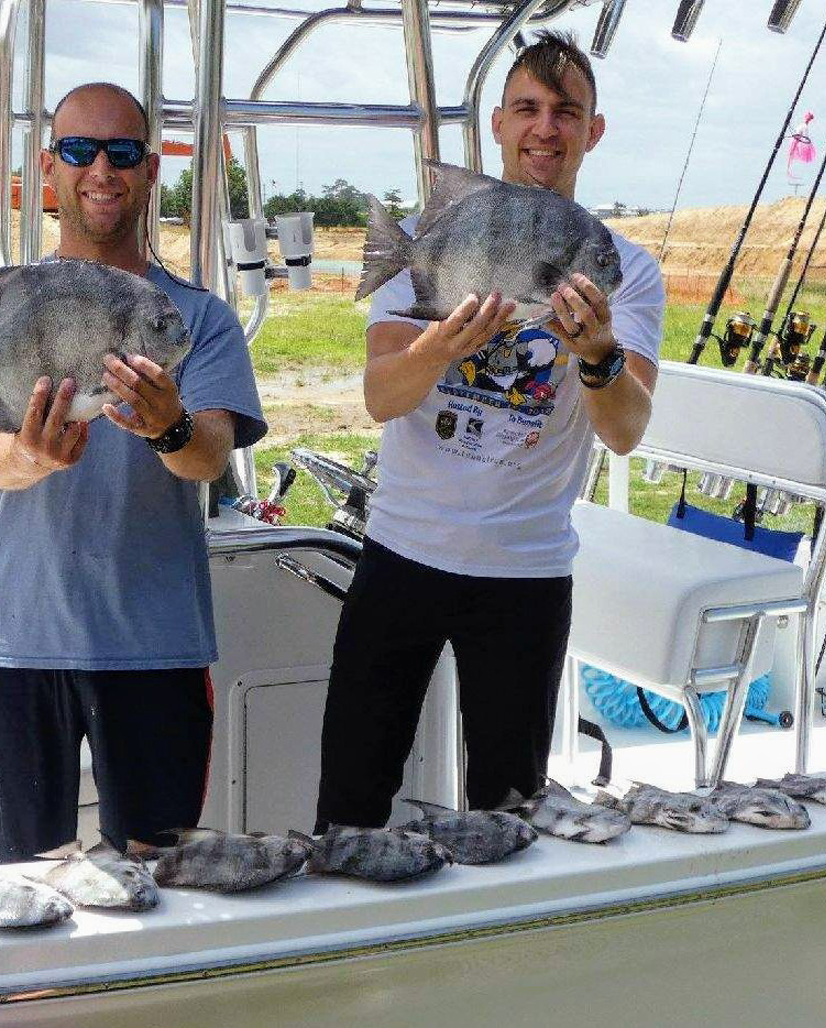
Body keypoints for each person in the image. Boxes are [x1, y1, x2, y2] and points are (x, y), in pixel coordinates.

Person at [315, 32, 664, 830]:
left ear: (592, 131)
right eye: (529, 110)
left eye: (566, 112)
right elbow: (380, 396)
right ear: (500, 124)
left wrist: (599, 358)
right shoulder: (434, 238)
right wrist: (443, 342)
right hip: (403, 550)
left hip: (527, 571)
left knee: (509, 809)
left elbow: (626, 432)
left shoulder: (625, 268)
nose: (547, 128)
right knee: (351, 794)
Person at [0, 82, 267, 864]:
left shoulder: (198, 318)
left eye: (122, 153)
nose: (101, 169)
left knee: (159, 888)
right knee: (1, 891)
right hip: (13, 643)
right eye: (80, 150)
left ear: (150, 171)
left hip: (155, 650)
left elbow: (211, 454)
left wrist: (169, 425)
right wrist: (25, 454)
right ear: (49, 167)